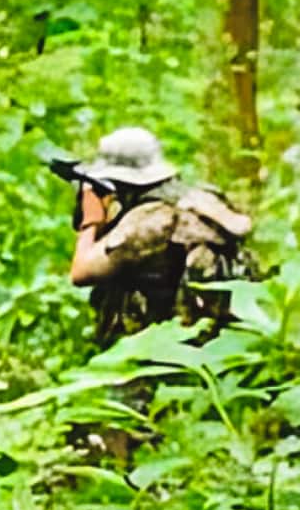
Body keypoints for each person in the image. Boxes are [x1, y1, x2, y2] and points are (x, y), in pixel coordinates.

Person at [67, 127, 255, 350]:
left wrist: (91, 219)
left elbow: (80, 273)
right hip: (216, 336)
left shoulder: (150, 220)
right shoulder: (199, 199)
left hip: (164, 345)